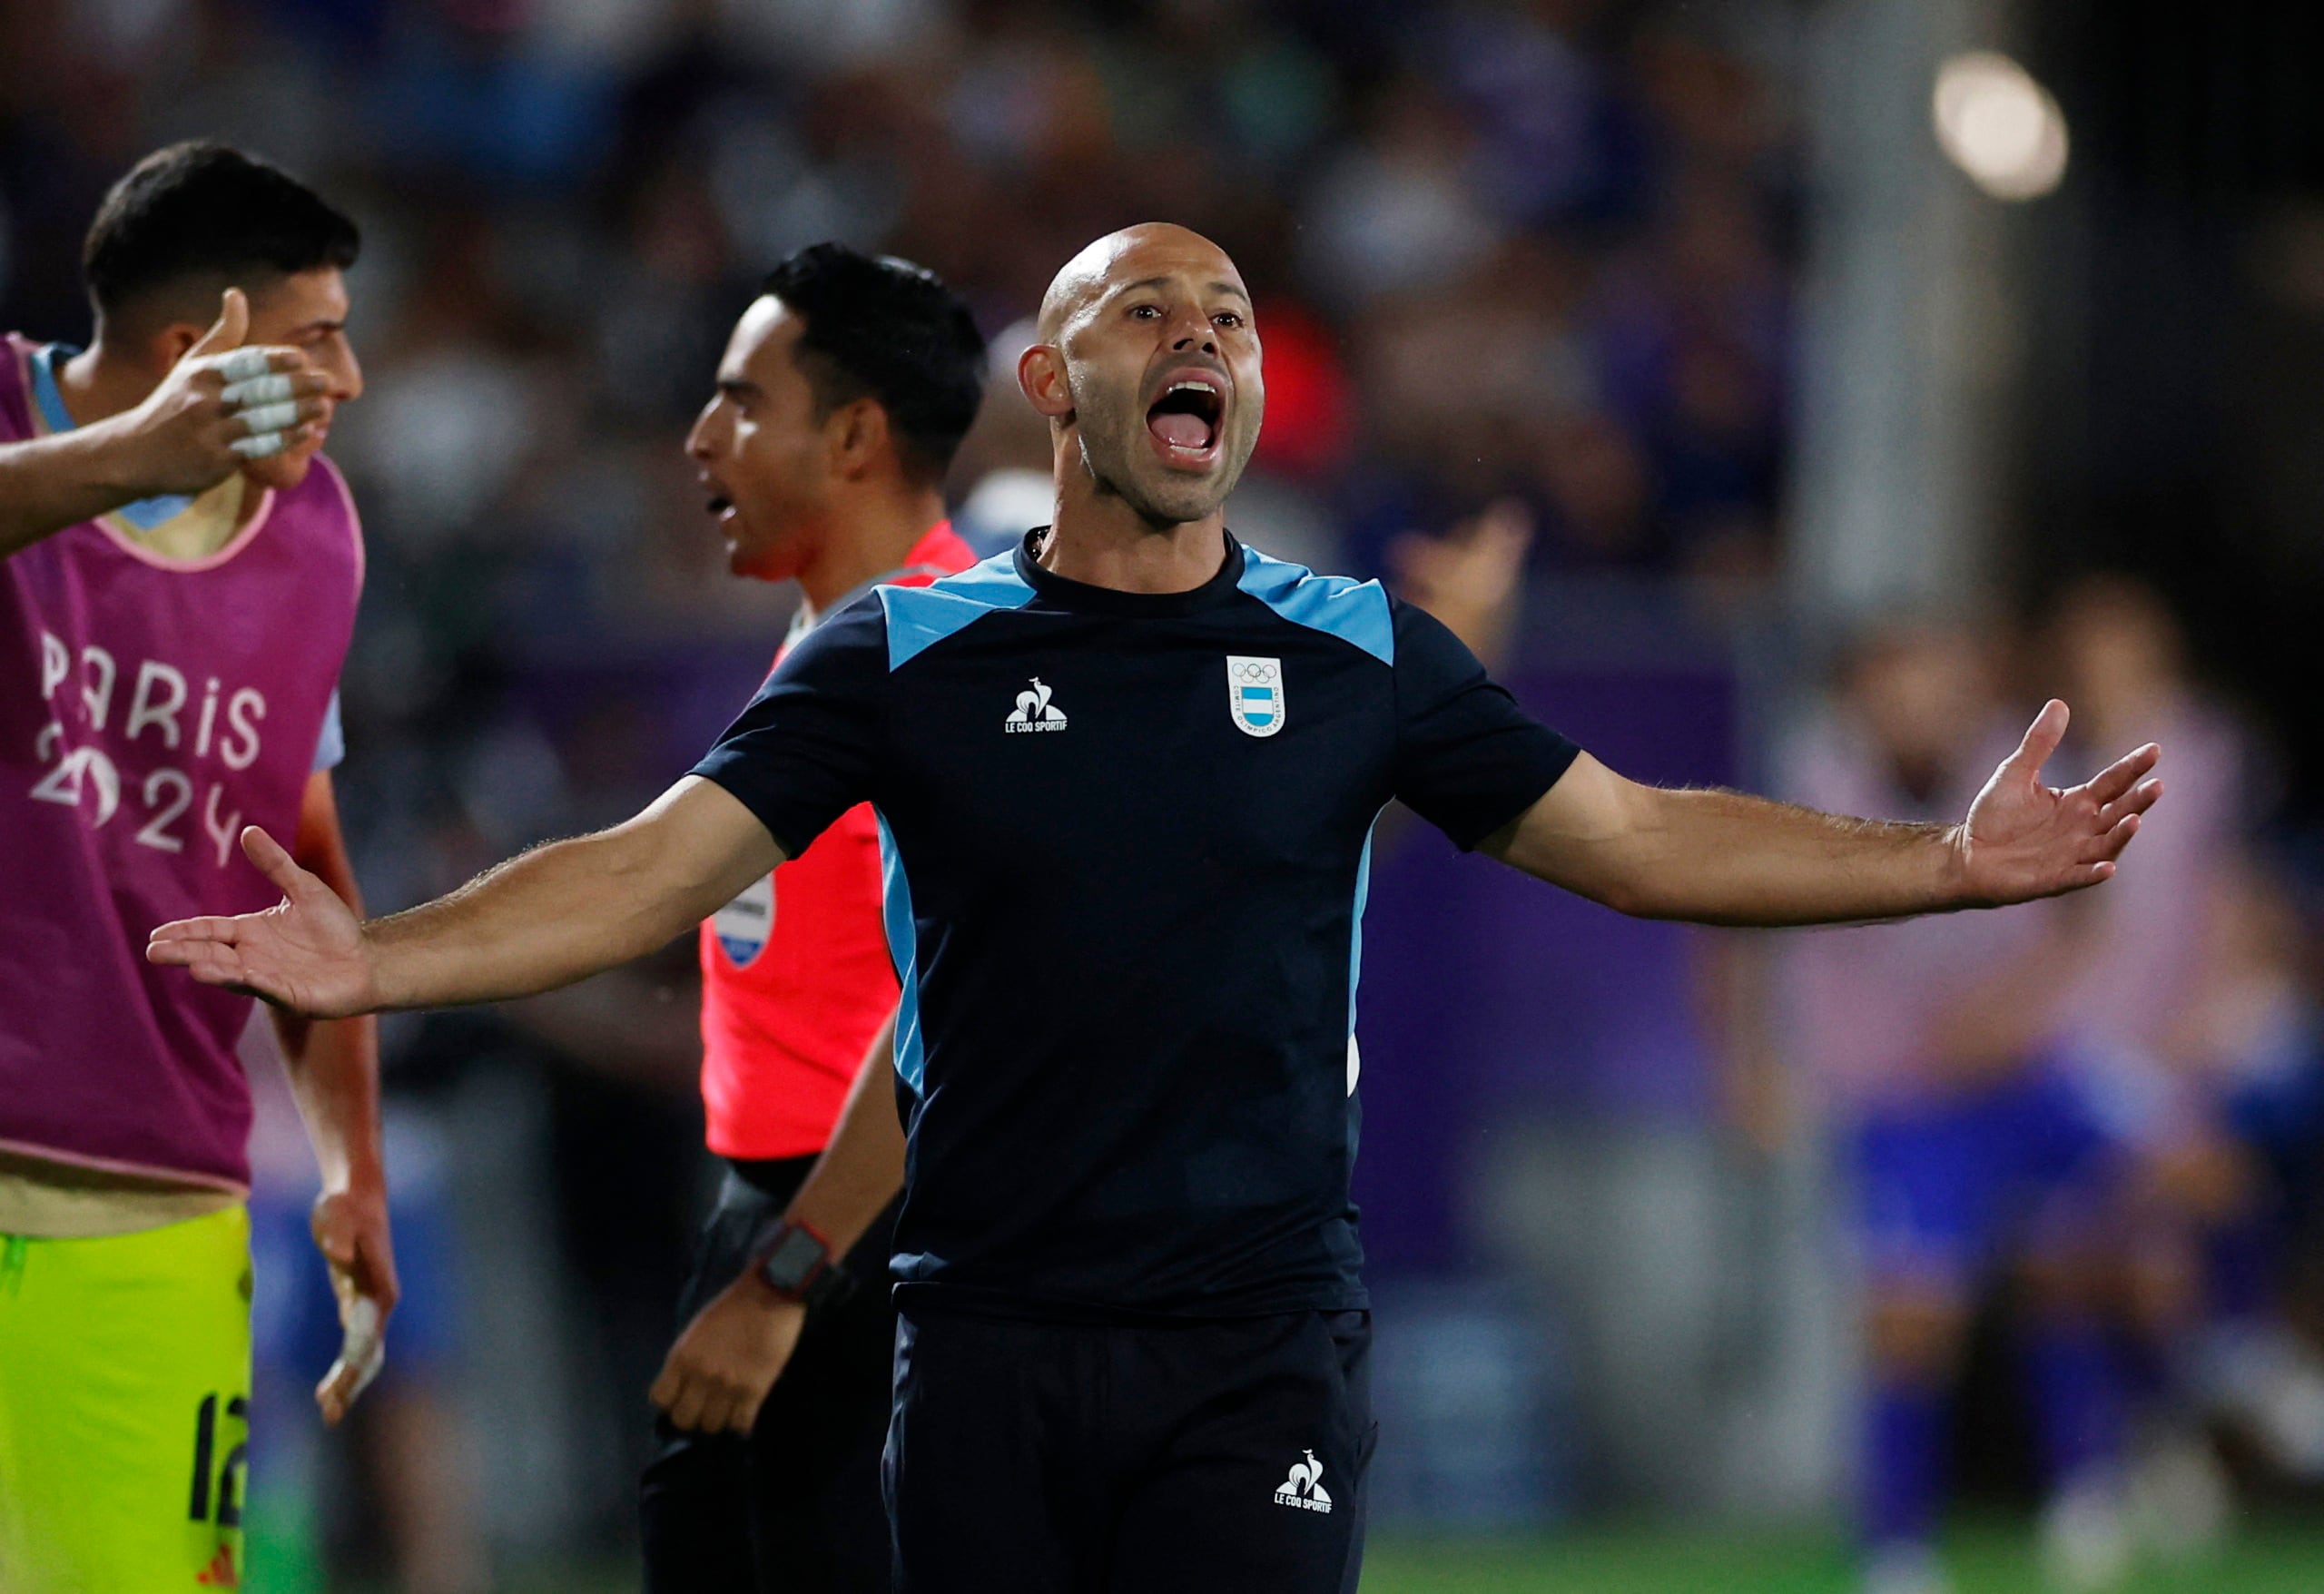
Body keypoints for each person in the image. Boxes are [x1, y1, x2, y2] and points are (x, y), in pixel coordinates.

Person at [149, 223, 2163, 1594]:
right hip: (988, 1344)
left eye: (1226, 314)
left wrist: (1940, 866)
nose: (1200, 332)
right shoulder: (900, 652)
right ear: (1048, 380)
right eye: (1143, 309)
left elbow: (1634, 838)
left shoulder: (1362, 653)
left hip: (1256, 1345)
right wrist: (381, 957)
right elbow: (651, 867)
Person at [0, 142, 395, 1593]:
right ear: (196, 353)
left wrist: (352, 1167)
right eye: (316, 340)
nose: (348, 379)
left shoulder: (315, 543)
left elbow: (304, 861)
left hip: (152, 1210)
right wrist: (131, 461)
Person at [639, 242, 986, 1593]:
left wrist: (785, 1274)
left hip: (863, 1238)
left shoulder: (951, 652)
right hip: (795, 1220)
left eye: (739, 402)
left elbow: (964, 999)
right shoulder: (843, 639)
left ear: (853, 435)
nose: (700, 438)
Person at [1771, 618, 2140, 1594]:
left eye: (1938, 686)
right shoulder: (1807, 780)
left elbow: (2088, 909)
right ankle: (1895, 1546)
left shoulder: (2019, 765)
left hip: (2025, 1070)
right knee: (1908, 1321)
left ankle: (2101, 1483)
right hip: (1902, 1091)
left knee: (2113, 1235)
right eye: (1897, 690)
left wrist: (2009, 1014)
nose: (1921, 708)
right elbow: (1727, 922)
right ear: (1857, 700)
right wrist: (1752, 1059)